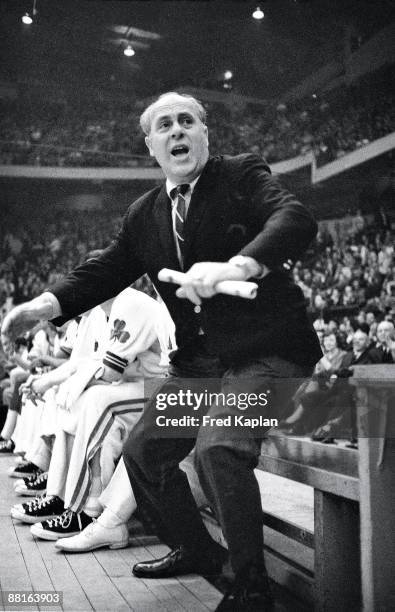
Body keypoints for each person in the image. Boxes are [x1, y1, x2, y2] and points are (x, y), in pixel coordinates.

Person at [1, 92, 321, 611]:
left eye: (187, 121)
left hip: (269, 355)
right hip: (201, 369)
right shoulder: (145, 214)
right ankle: (195, 550)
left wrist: (237, 266)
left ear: (204, 135)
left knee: (218, 446)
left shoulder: (241, 175)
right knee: (144, 452)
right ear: (150, 145)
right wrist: (47, 303)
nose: (177, 131)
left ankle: (251, 586)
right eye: (165, 125)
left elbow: (295, 217)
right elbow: (105, 269)